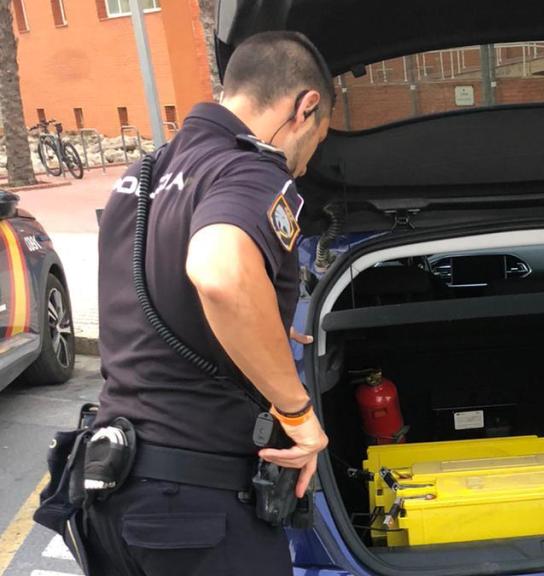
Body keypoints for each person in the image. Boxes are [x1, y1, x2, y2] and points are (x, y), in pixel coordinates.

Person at [85, 31, 335, 576]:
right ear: (305, 107)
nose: (306, 166)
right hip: (195, 510)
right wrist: (297, 413)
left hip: (111, 495)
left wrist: (259, 326)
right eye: (316, 142)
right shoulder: (247, 170)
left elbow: (152, 299)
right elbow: (219, 273)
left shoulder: (141, 177)